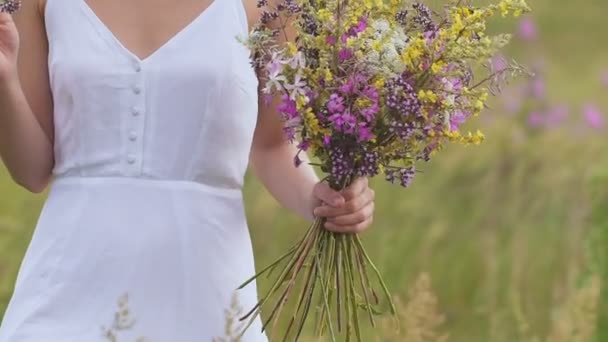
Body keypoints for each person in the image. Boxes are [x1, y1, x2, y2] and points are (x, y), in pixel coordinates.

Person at [0, 0, 376, 340]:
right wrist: (4, 83)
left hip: (206, 293)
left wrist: (321, 200)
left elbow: (272, 145)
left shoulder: (268, 6)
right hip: (65, 289)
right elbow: (32, 170)